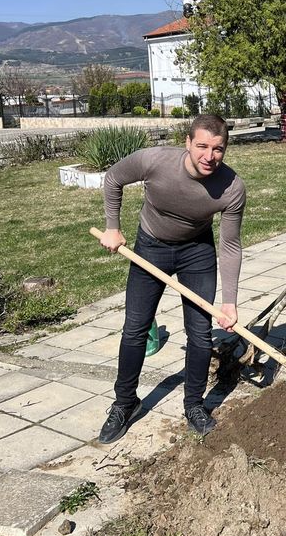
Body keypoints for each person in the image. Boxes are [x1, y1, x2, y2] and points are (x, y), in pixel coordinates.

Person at [97, 113, 246, 443]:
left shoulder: (232, 187)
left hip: (197, 252)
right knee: (135, 328)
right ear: (188, 143)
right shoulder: (155, 161)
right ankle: (125, 404)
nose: (209, 156)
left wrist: (230, 302)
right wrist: (112, 227)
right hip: (151, 246)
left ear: (225, 149)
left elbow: (231, 245)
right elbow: (113, 179)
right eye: (202, 146)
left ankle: (194, 405)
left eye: (218, 149)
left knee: (200, 334)